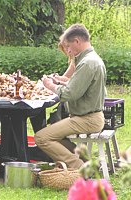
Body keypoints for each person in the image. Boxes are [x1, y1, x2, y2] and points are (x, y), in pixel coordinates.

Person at [34, 24, 107, 169]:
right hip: (88, 116)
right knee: (53, 133)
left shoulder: (87, 63)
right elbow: (77, 86)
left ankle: (79, 167)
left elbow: (70, 94)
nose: (67, 50)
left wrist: (50, 85)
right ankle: (88, 162)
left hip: (87, 119)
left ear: (77, 42)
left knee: (41, 137)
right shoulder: (91, 59)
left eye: (68, 46)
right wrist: (59, 81)